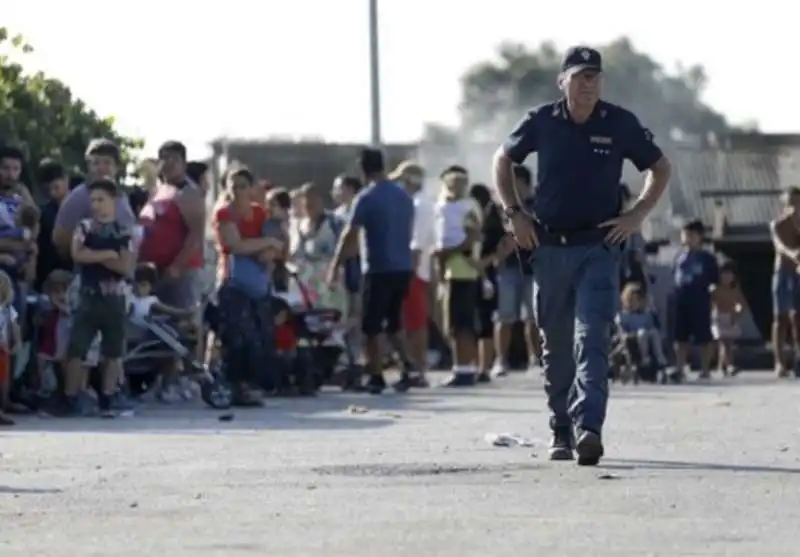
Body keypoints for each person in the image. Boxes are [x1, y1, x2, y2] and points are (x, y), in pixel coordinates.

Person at [492, 45, 671, 465]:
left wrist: (638, 214)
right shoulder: (541, 121)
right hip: (549, 246)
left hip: (599, 247)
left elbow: (660, 168)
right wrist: (515, 214)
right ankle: (561, 427)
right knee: (555, 346)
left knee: (591, 336)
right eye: (579, 76)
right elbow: (503, 159)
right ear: (563, 82)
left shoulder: (619, 122)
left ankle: (589, 427)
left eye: (594, 76)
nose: (587, 84)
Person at [327, 147, 416, 394]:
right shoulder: (403, 196)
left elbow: (349, 234)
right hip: (402, 265)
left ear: (363, 169)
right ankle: (409, 367)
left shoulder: (366, 197)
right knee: (394, 320)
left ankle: (376, 375)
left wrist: (336, 265)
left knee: (370, 325)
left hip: (378, 268)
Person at [138, 141, 206, 401]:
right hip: (156, 271)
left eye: (173, 159)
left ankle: (189, 380)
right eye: (163, 158)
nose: (167, 163)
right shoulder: (160, 190)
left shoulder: (188, 193)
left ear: (183, 163)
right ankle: (164, 380)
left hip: (181, 271)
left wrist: (177, 266)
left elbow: (195, 235)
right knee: (162, 328)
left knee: (184, 326)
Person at [212, 167, 283, 406]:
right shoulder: (224, 214)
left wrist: (270, 248)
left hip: (259, 283)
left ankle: (254, 385)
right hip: (233, 282)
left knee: (260, 335)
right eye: (233, 186)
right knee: (237, 336)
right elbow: (235, 245)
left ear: (252, 188)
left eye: (243, 185)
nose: (238, 191)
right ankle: (235, 385)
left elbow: (276, 247)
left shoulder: (259, 213)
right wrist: (266, 243)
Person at [65, 179, 133, 418]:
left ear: (113, 201)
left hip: (114, 298)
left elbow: (125, 265)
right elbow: (77, 254)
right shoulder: (84, 227)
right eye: (92, 200)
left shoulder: (122, 229)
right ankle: (71, 396)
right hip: (88, 295)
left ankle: (109, 394)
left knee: (114, 350)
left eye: (100, 199)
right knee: (77, 348)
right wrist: (106, 254)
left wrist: (93, 256)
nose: (95, 205)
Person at [434, 166, 483, 387]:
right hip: (450, 270)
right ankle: (460, 366)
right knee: (452, 323)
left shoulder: (468, 207)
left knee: (461, 323)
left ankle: (465, 368)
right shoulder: (446, 206)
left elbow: (473, 236)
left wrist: (449, 251)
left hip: (463, 269)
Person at [491, 164, 541, 377]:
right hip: (509, 268)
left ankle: (536, 360)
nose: (515, 189)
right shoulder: (499, 208)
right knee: (505, 317)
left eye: (518, 184)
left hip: (534, 268)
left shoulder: (538, 205)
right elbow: (490, 239)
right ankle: (500, 360)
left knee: (534, 317)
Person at [389, 162, 434, 386]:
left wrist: (409, 271)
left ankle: (419, 369)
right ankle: (414, 369)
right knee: (408, 321)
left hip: (412, 269)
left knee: (415, 322)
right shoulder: (411, 202)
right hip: (407, 267)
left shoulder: (420, 204)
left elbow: (416, 244)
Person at [672, 219, 718, 381]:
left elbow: (715, 280)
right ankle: (680, 367)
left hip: (700, 299)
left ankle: (705, 368)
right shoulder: (679, 257)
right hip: (681, 298)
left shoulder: (707, 258)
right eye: (685, 234)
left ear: (699, 236)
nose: (687, 237)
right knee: (680, 336)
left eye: (691, 234)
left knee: (704, 335)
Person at [469, 183, 505, 383]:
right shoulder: (479, 220)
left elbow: (498, 249)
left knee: (484, 321)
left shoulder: (490, 222)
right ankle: (479, 365)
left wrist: (482, 263)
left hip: (485, 276)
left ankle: (483, 366)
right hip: (478, 273)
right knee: (479, 321)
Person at [769, 186, 800, 377]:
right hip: (783, 272)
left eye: (797, 203)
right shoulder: (777, 224)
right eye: (790, 204)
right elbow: (780, 246)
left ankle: (798, 359)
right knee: (780, 318)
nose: (794, 207)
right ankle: (779, 362)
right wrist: (793, 253)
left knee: (798, 317)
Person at [35, 159, 72, 292]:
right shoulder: (44, 213)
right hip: (49, 276)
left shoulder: (82, 205)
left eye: (56, 182)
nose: (52, 188)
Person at [617, 282, 667, 370]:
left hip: (647, 336)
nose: (634, 302)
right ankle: (644, 358)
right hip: (632, 337)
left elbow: (651, 327)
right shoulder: (623, 315)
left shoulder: (646, 314)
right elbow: (621, 331)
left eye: (637, 300)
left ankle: (660, 357)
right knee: (642, 333)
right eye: (631, 300)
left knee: (654, 332)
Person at [711, 261, 745, 376]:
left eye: (729, 274)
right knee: (724, 342)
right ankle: (730, 366)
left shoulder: (735, 290)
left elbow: (741, 304)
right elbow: (710, 304)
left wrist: (737, 312)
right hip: (718, 318)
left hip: (731, 318)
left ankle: (721, 366)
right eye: (724, 274)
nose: (726, 277)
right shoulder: (715, 289)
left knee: (728, 344)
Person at [0, 270, 20, 426]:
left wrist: (17, 341)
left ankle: (2, 408)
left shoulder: (7, 309)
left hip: (3, 350)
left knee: (3, 381)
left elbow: (14, 326)